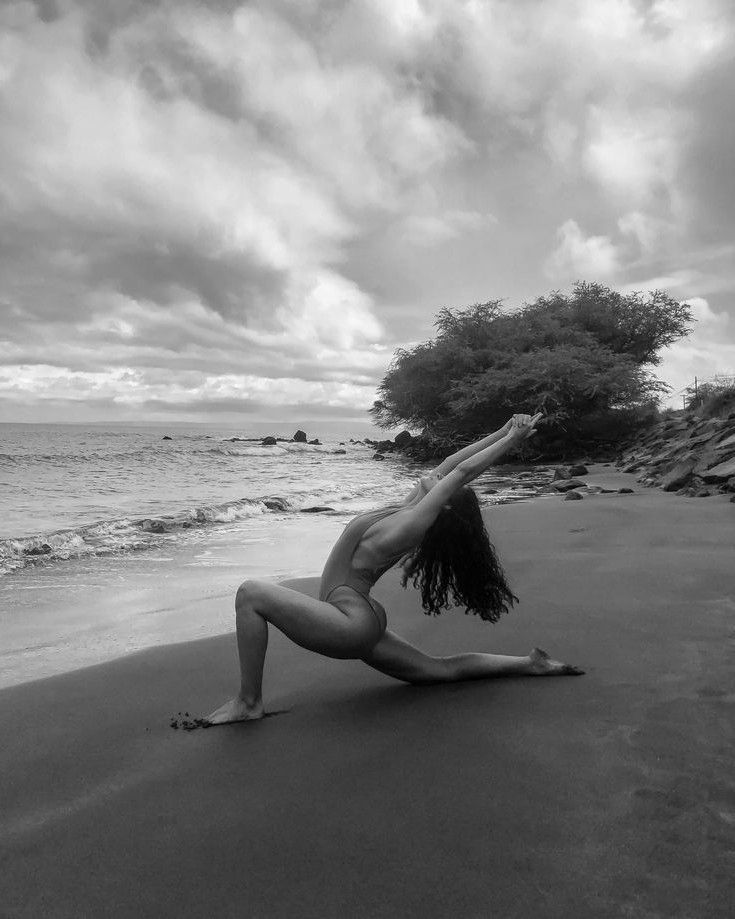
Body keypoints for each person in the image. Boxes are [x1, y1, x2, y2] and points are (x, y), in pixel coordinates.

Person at [207, 412, 583, 725]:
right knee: (439, 671)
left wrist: (513, 440)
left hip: (348, 622)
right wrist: (503, 429)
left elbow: (463, 473)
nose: (438, 474)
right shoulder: (407, 509)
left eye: (441, 486)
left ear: (442, 505)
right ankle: (531, 664)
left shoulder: (412, 524)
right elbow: (454, 464)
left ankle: (249, 702)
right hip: (359, 617)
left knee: (250, 593)